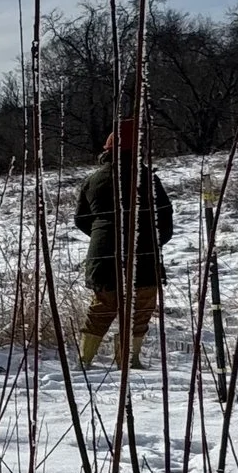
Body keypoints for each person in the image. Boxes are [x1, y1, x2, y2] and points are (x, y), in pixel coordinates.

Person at [72, 118, 175, 369]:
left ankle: (85, 360)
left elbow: (81, 219)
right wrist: (155, 241)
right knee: (141, 304)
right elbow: (165, 214)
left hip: (103, 253)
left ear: (108, 151)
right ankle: (129, 358)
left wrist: (101, 237)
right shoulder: (147, 178)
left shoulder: (93, 180)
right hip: (144, 251)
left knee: (103, 305)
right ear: (137, 149)